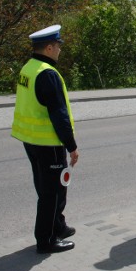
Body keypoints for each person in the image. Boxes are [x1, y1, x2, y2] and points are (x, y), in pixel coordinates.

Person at [11, 24, 79, 253]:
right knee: (52, 193)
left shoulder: (28, 68)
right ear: (49, 48)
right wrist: (72, 146)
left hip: (31, 140)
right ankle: (47, 240)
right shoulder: (47, 73)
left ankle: (58, 226)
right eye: (58, 46)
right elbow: (59, 115)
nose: (60, 50)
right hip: (48, 143)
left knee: (49, 188)